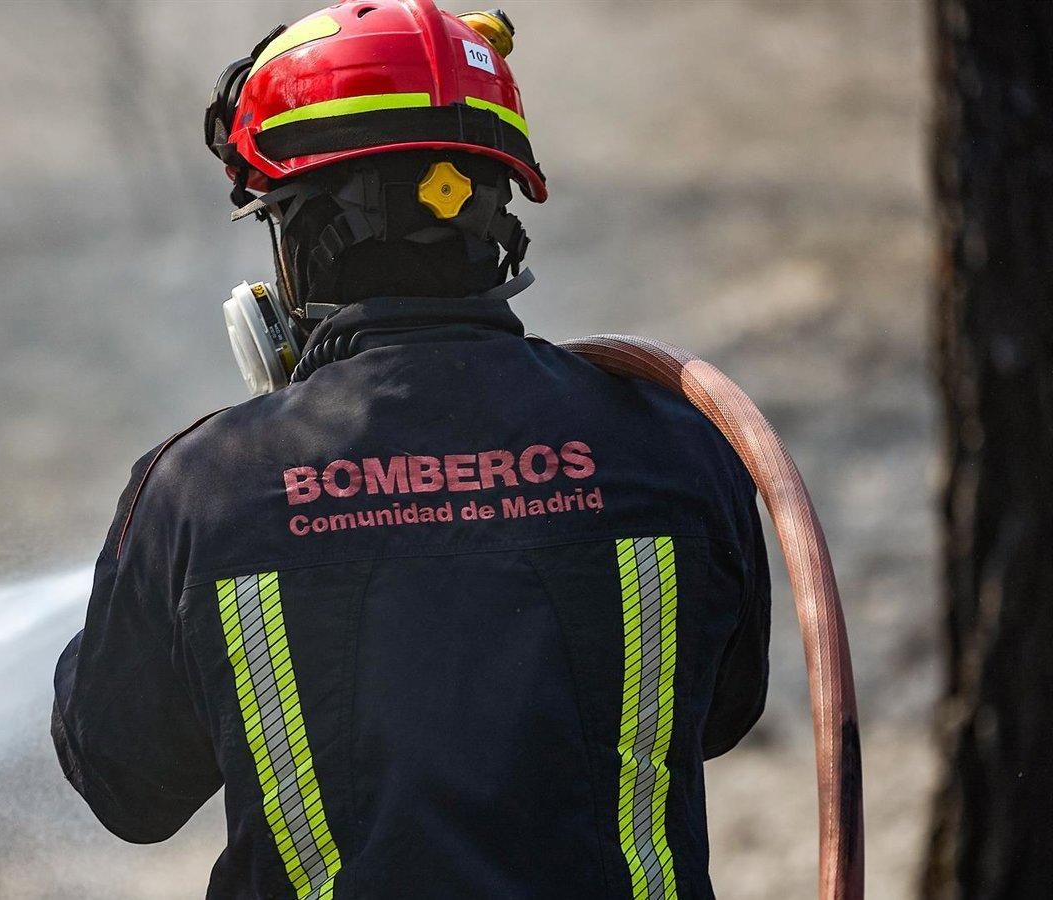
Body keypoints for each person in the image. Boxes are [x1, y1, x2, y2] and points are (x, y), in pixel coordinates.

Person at [51, 2, 770, 897]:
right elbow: (721, 714)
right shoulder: (675, 444)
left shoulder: (204, 489)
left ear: (304, 234)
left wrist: (136, 597)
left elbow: (129, 788)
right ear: (496, 210)